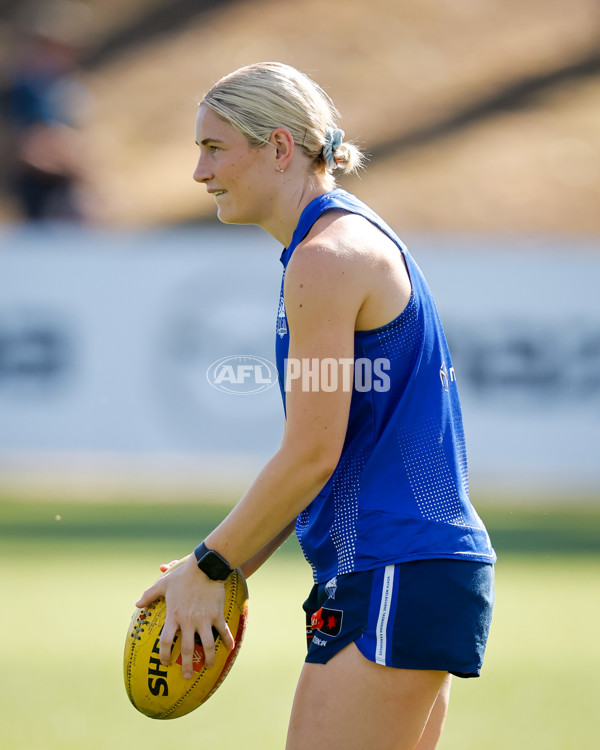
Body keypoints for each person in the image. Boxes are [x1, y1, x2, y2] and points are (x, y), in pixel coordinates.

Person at [136, 62, 496, 750]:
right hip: (405, 568)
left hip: (395, 565)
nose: (199, 172)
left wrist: (211, 564)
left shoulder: (326, 259)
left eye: (213, 148)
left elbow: (310, 454)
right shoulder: (336, 244)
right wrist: (213, 571)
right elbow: (321, 463)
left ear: (278, 148)